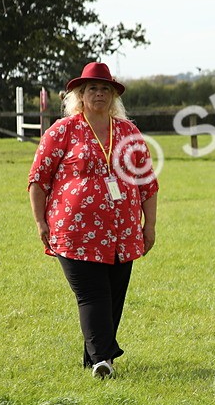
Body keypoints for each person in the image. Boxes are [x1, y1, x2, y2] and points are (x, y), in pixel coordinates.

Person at [28, 62, 159, 379]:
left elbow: (147, 183)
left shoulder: (128, 132)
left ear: (113, 96)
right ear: (80, 95)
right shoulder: (62, 131)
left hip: (122, 231)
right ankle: (103, 360)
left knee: (113, 297)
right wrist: (40, 222)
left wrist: (150, 225)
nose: (99, 94)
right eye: (92, 89)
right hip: (74, 231)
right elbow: (38, 179)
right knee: (93, 295)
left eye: (105, 89)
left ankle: (96, 360)